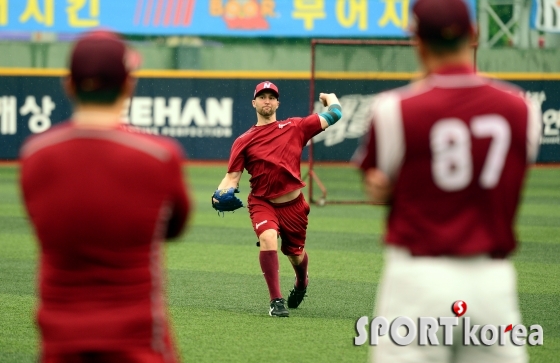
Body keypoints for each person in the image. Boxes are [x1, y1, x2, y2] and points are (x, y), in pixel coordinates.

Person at [353, 0, 541, 362]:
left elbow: (378, 188)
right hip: (491, 282)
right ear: (474, 34)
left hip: (417, 281)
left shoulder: (394, 109)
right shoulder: (522, 108)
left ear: (417, 42)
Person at [20, 30, 191, 363]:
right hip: (137, 344)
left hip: (60, 345)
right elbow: (174, 227)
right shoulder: (159, 156)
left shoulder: (34, 155)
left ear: (68, 84)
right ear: (129, 84)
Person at [213, 81, 341, 317]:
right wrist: (217, 195)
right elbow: (232, 178)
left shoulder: (295, 127)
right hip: (262, 202)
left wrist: (331, 98)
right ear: (254, 103)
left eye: (272, 97)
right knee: (268, 237)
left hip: (294, 206)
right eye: (262, 97)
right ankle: (276, 301)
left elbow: (335, 114)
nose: (267, 101)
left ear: (277, 103)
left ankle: (302, 281)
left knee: (295, 254)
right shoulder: (244, 140)